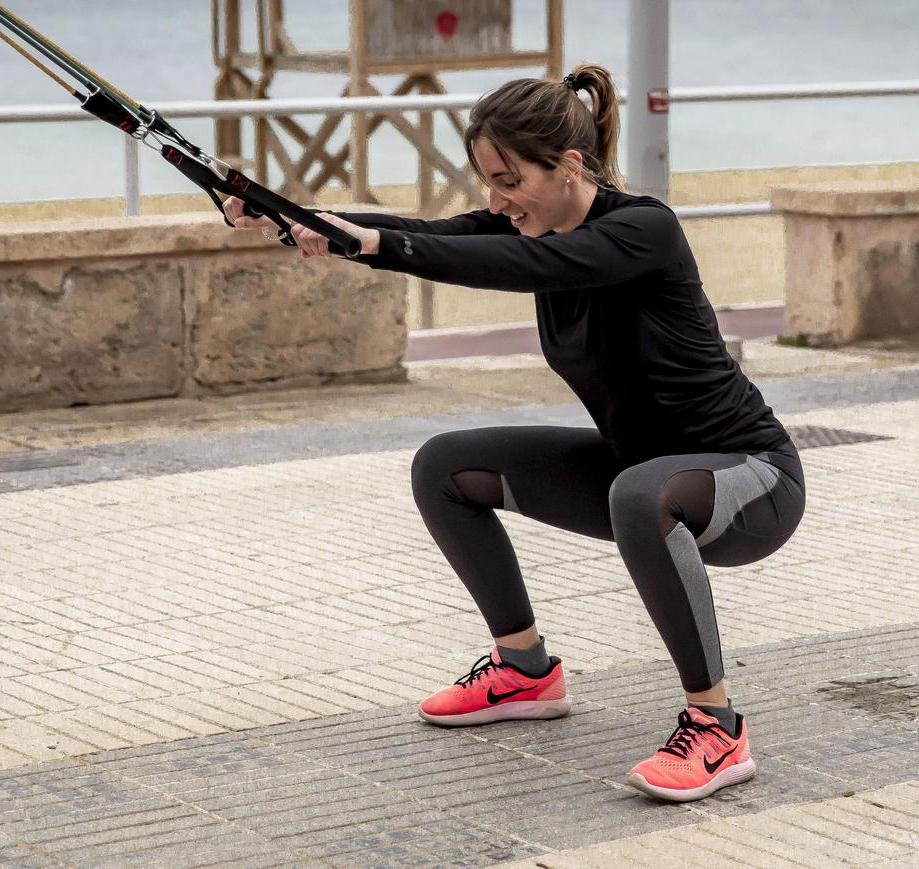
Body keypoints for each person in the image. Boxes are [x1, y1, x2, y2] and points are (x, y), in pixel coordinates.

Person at [223, 63, 804, 803]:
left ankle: (717, 724)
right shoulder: (529, 224)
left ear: (567, 166)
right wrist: (291, 215)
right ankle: (525, 670)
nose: (496, 202)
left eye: (508, 181)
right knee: (445, 466)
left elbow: (507, 260)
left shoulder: (643, 230)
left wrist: (369, 243)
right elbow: (429, 233)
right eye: (486, 183)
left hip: (750, 479)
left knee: (637, 492)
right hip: (641, 474)